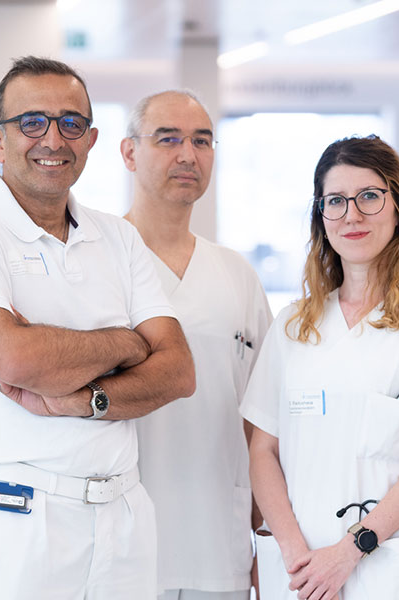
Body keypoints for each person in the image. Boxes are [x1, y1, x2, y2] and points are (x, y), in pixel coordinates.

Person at [0, 55, 197, 598]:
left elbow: (178, 372)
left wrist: (84, 397)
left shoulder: (117, 237)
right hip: (19, 518)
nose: (53, 139)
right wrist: (128, 343)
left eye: (71, 123)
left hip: (124, 517)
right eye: (31, 122)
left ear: (91, 140)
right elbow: (16, 359)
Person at [245, 135, 399, 600]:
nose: (352, 215)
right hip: (300, 576)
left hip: (387, 573)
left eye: (369, 196)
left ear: (398, 208)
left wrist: (346, 554)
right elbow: (263, 451)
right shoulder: (293, 326)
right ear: (321, 217)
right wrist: (300, 561)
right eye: (335, 201)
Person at [119, 90, 275, 600]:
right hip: (120, 548)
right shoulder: (98, 261)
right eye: (168, 139)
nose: (188, 154)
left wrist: (266, 534)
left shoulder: (236, 274)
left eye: (202, 141)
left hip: (218, 546)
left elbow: (263, 420)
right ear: (129, 152)